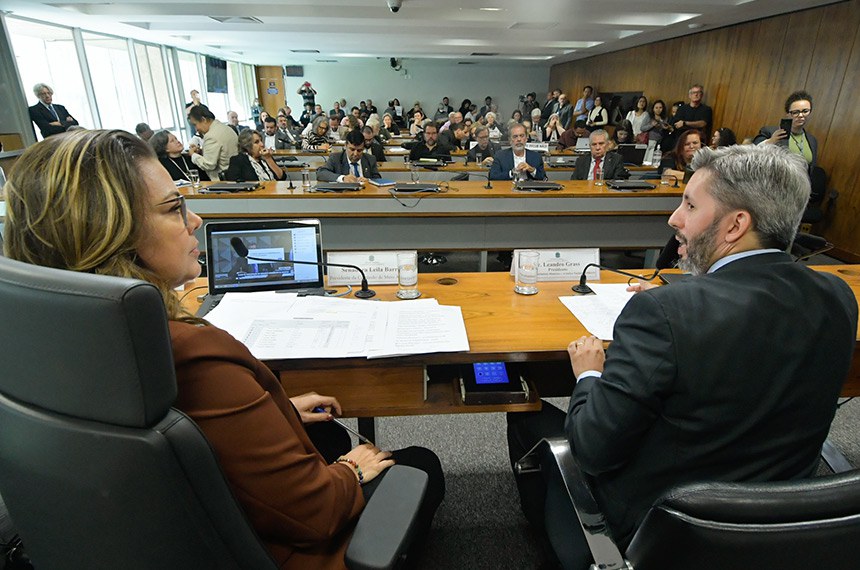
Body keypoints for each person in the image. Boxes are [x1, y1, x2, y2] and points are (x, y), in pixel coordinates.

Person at [2, 129, 445, 570]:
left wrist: (270, 408)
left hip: (143, 531)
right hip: (293, 550)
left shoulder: (46, 339)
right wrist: (352, 468)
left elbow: (167, 431)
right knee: (421, 463)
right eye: (175, 208)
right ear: (112, 232)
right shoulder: (195, 355)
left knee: (324, 431)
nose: (194, 220)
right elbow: (317, 517)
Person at [507, 143, 858, 569]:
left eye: (690, 205)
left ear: (735, 226)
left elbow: (594, 451)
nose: (674, 217)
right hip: (785, 527)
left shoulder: (662, 314)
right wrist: (683, 302)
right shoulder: (838, 297)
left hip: (666, 534)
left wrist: (589, 376)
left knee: (524, 414)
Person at [753, 90, 818, 172]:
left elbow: (811, 169)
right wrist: (771, 141)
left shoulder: (812, 140)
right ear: (788, 114)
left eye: (805, 111)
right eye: (795, 112)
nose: (801, 115)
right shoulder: (770, 132)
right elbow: (751, 153)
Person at [187, 105, 239, 181]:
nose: (196, 129)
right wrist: (202, 152)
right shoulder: (226, 128)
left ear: (203, 119)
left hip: (223, 182)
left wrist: (193, 155)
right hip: (235, 175)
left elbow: (209, 164)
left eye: (195, 124)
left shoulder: (210, 136)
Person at [317, 128, 382, 183]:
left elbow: (378, 179)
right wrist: (342, 178)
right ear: (345, 146)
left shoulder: (370, 159)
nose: (355, 154)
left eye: (359, 150)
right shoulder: (335, 158)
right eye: (352, 149)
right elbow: (321, 173)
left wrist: (369, 180)